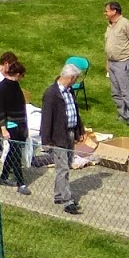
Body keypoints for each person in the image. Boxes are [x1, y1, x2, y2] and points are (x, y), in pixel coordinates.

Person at [41, 61, 85, 214]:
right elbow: (46, 118)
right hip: (58, 136)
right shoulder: (51, 94)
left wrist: (80, 130)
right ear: (71, 77)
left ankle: (58, 195)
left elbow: (74, 112)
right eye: (76, 79)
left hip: (70, 133)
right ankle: (67, 200)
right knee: (63, 167)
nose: (76, 81)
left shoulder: (69, 91)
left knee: (65, 166)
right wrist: (46, 140)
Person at [0, 52, 30, 193]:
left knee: (14, 151)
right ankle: (21, 183)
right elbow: (0, 109)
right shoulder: (3, 87)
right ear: (17, 74)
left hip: (19, 125)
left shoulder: (14, 86)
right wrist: (3, 128)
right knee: (16, 154)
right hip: (10, 126)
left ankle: (4, 176)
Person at [104, 0, 129, 125]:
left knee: (126, 91)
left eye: (107, 11)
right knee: (115, 92)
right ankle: (123, 115)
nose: (105, 13)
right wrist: (107, 63)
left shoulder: (125, 23)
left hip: (123, 63)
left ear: (114, 11)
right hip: (112, 63)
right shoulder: (110, 25)